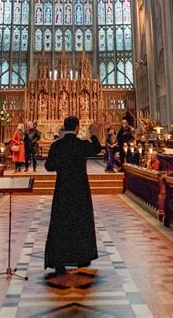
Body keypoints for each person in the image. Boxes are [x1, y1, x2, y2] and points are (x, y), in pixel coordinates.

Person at [44, 116, 102, 276]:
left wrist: (62, 165)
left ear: (64, 127)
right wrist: (94, 134)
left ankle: (59, 259)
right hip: (80, 189)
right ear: (77, 128)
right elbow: (97, 148)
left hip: (63, 189)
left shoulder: (57, 146)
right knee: (80, 221)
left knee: (62, 221)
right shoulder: (81, 144)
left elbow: (49, 166)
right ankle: (81, 257)